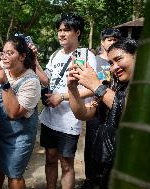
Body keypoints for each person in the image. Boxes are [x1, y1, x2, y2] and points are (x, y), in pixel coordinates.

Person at [34, 12, 97, 189]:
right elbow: (46, 80)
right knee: (50, 159)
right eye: (60, 30)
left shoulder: (86, 56)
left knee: (66, 164)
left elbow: (90, 87)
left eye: (66, 30)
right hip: (49, 118)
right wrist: (34, 62)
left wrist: (61, 96)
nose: (61, 34)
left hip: (69, 120)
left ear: (77, 32)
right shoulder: (55, 55)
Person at [68, 38, 137, 189]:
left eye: (119, 59)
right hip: (107, 165)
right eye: (111, 63)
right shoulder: (113, 86)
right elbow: (84, 114)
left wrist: (95, 85)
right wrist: (72, 89)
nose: (114, 67)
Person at [0, 36, 41, 189]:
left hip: (20, 136)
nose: (5, 57)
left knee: (14, 174)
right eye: (3, 53)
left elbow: (14, 113)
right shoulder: (3, 66)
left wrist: (4, 83)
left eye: (10, 53)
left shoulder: (31, 81)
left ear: (22, 56)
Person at [82, 28, 121, 189]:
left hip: (116, 110)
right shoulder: (94, 61)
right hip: (96, 111)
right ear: (102, 42)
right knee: (92, 146)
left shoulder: (119, 62)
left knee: (112, 149)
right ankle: (90, 179)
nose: (111, 42)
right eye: (108, 39)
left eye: (114, 40)